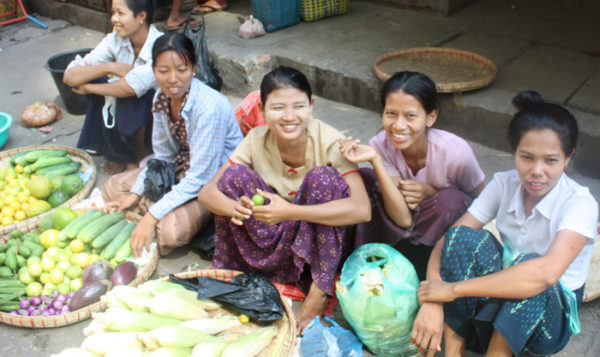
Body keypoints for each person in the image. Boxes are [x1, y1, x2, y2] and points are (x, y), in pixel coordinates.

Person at [411, 90, 599, 357]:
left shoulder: (580, 203)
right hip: (503, 294)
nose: (537, 170)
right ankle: (454, 352)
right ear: (514, 152)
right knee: (460, 238)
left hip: (545, 323)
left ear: (569, 157)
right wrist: (432, 298)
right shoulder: (504, 183)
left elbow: (545, 274)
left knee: (532, 268)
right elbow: (449, 241)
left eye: (551, 160)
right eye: (526, 157)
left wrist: (451, 291)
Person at [198, 66, 371, 334]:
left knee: (323, 179)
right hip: (278, 239)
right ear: (263, 110)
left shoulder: (331, 141)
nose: (289, 117)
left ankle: (319, 292)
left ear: (311, 107)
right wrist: (238, 208)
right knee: (234, 176)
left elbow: (362, 210)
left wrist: (290, 211)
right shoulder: (256, 139)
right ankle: (234, 273)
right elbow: (207, 193)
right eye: (278, 108)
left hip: (321, 247)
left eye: (298, 106)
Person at [103, 33, 243, 257]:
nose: (172, 79)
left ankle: (151, 212)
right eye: (163, 71)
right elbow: (163, 157)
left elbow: (200, 177)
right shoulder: (162, 96)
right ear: (154, 70)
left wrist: (152, 215)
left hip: (214, 181)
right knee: (113, 188)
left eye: (181, 69)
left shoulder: (209, 107)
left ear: (194, 68)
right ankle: (149, 209)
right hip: (183, 166)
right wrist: (136, 193)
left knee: (170, 232)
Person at [340, 71, 485, 279]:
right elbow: (402, 218)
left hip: (439, 235)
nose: (398, 126)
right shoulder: (380, 145)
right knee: (363, 177)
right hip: (399, 225)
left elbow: (482, 201)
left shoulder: (456, 153)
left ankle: (424, 270)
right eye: (391, 114)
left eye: (410, 116)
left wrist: (433, 192)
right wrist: (375, 161)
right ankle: (375, 258)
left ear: (431, 117)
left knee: (451, 201)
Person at [63, 0, 161, 174]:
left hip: (155, 116)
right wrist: (109, 67)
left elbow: (132, 87)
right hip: (126, 106)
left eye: (120, 13)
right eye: (113, 13)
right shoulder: (115, 39)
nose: (114, 19)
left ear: (141, 16)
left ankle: (138, 154)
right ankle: (119, 153)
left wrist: (89, 89)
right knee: (96, 78)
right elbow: (69, 76)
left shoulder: (159, 45)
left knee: (128, 95)